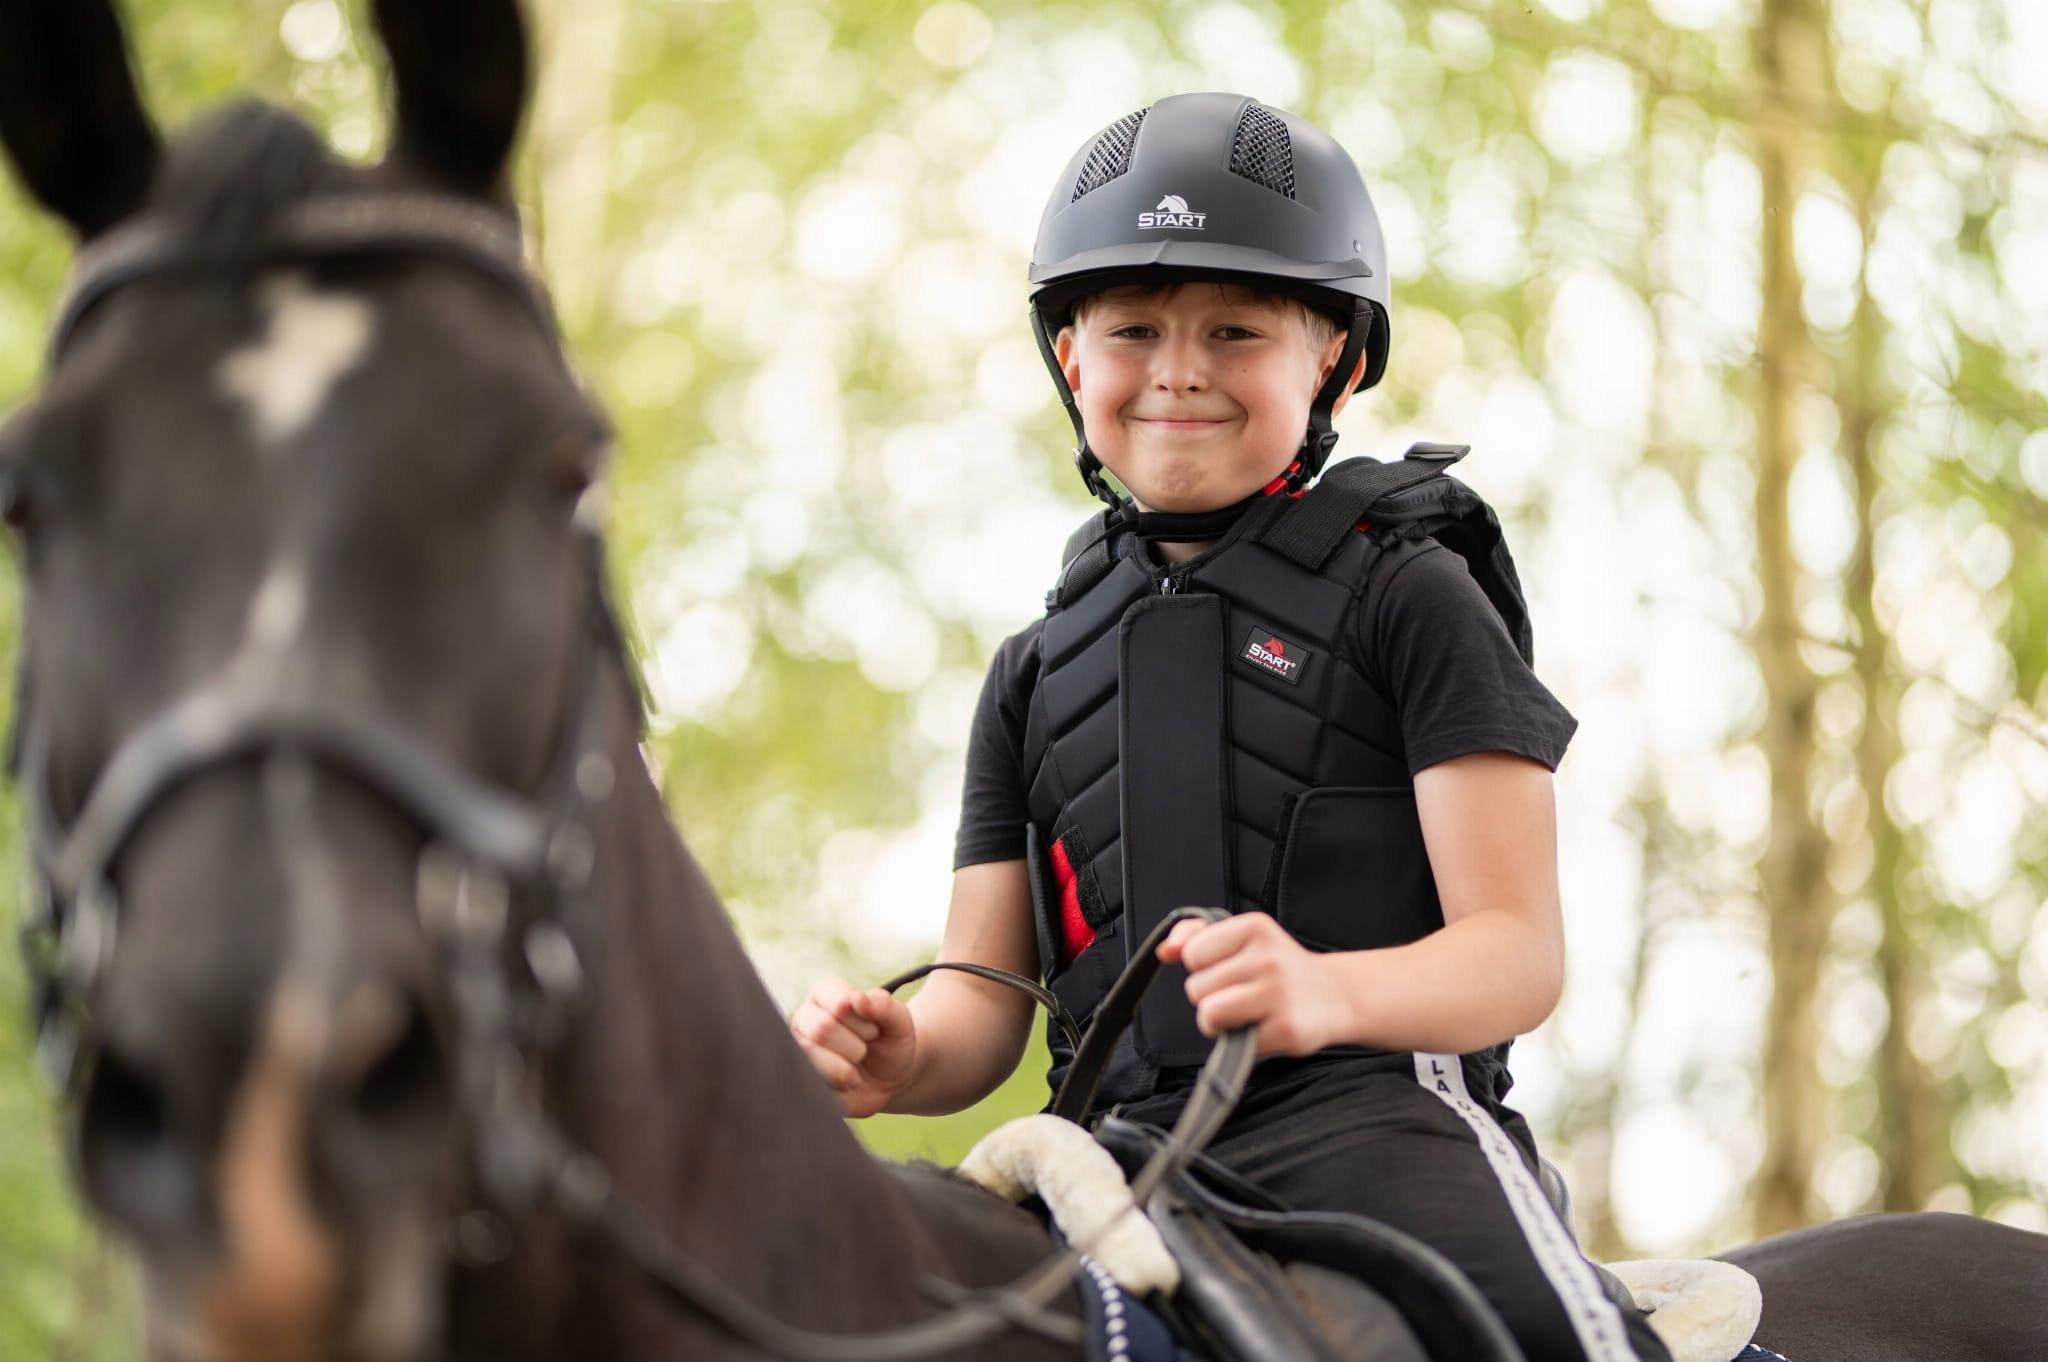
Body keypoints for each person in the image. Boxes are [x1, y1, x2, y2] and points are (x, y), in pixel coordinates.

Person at [792, 92, 1670, 1362]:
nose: (1178, 369)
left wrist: (1320, 991)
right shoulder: (1031, 671)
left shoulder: (1412, 594)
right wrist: (900, 1062)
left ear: (1334, 357)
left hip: (1378, 1132)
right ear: (1070, 360)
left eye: (1235, 328)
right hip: (1111, 1154)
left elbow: (1516, 957)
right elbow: (984, 1006)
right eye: (1132, 329)